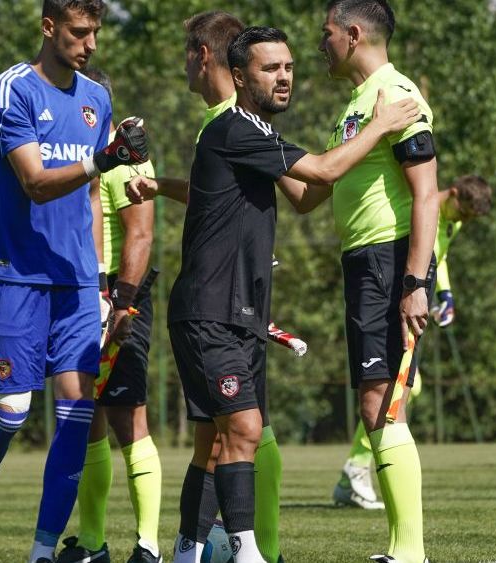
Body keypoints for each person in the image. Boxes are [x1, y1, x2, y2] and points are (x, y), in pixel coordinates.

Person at [133, 23, 417, 562]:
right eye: (270, 68)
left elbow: (308, 195)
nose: (284, 77)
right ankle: (248, 552)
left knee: (219, 442)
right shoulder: (236, 128)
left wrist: (351, 146)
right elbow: (327, 169)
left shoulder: (256, 134)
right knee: (243, 427)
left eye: (288, 67)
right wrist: (378, 127)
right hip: (209, 310)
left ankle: (188, 552)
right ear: (239, 75)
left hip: (236, 312)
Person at [0, 1, 149, 561]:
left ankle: (41, 553)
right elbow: (36, 182)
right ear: (48, 27)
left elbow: (90, 198)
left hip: (78, 283)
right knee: (10, 411)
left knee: (77, 416)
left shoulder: (96, 97)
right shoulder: (11, 89)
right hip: (15, 277)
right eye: (79, 32)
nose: (89, 44)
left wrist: (102, 283)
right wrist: (102, 161)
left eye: (95, 33)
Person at [294, 1, 440, 560]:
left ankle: (409, 552)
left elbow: (426, 193)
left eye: (326, 33)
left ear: (353, 34)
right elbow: (312, 195)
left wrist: (414, 282)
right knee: (374, 400)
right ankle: (405, 551)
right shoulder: (357, 104)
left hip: (388, 260)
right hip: (364, 262)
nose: (321, 43)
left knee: (382, 400)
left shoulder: (397, 94)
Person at [53, 67, 162, 563]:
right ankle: (93, 543)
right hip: (78, 297)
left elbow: (140, 234)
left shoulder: (128, 152)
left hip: (119, 295)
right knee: (85, 420)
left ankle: (148, 545)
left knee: (128, 417)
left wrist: (122, 302)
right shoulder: (71, 156)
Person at [332, 174, 492, 510]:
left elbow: (440, 257)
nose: (463, 222)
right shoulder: (426, 206)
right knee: (394, 386)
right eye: (463, 213)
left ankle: (355, 470)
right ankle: (357, 468)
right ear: (454, 195)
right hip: (394, 294)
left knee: (407, 387)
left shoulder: (452, 223)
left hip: (418, 297)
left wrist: (445, 294)